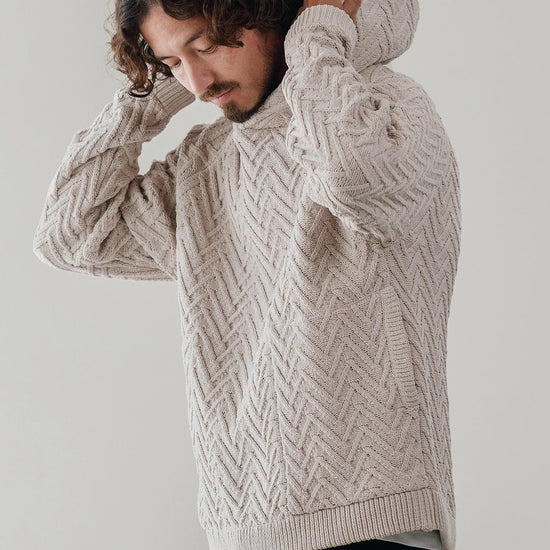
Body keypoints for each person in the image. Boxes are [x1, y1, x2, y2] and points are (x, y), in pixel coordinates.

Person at [32, 1, 461, 549]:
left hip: (376, 521)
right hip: (244, 530)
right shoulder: (204, 163)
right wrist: (150, 94)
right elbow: (70, 232)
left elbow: (359, 175)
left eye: (206, 46)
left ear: (268, 11)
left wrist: (316, 36)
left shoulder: (383, 113)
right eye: (173, 63)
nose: (198, 83)